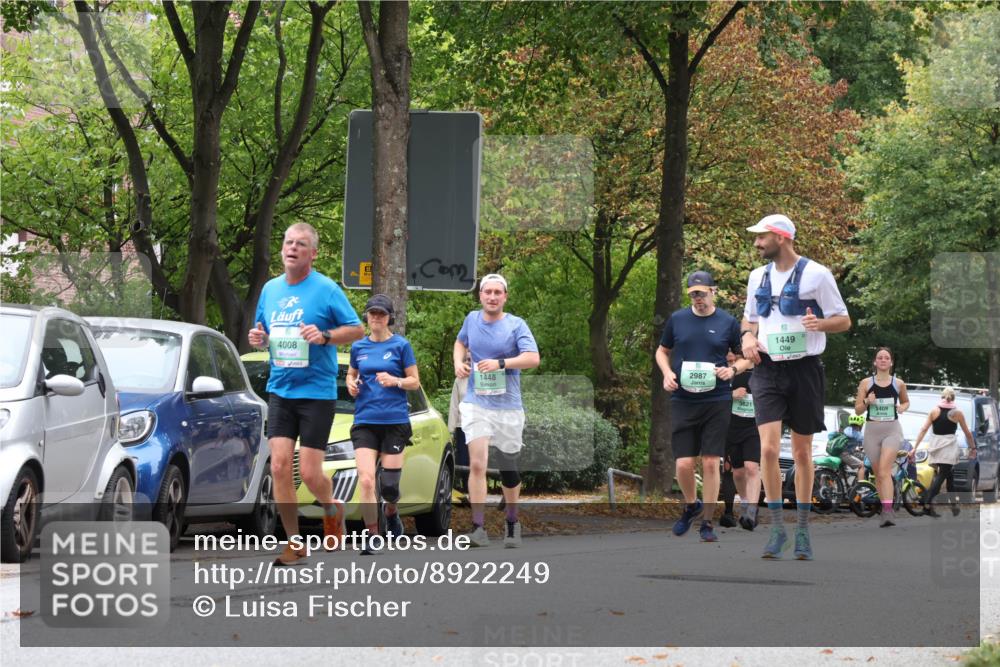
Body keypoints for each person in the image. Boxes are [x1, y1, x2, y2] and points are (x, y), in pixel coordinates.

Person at [249, 223, 364, 566]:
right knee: (282, 467)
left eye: (300, 244)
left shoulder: (326, 290)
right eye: (288, 242)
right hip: (281, 390)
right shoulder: (270, 290)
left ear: (312, 253)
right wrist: (259, 340)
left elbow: (357, 330)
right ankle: (295, 542)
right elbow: (262, 331)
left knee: (311, 474)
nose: (292, 248)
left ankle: (331, 508)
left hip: (316, 392)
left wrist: (326, 336)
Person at [741, 214, 851, 560]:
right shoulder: (756, 276)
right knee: (770, 450)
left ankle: (802, 529)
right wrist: (746, 336)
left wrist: (820, 323)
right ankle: (776, 529)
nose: (757, 244)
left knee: (802, 453)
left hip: (805, 369)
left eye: (761, 237)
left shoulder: (817, 274)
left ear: (781, 237)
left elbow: (844, 320)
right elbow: (750, 319)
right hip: (767, 370)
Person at [655, 271, 747, 543]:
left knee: (710, 462)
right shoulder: (678, 320)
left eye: (702, 293)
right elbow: (662, 351)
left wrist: (732, 370)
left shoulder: (727, 322)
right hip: (683, 399)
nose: (698, 298)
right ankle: (691, 504)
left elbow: (746, 359)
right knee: (683, 464)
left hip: (716, 399)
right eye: (693, 294)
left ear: (713, 291)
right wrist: (666, 373)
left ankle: (707, 521)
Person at [454, 273, 540, 548]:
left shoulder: (516, 325)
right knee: (477, 463)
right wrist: (459, 363)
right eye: (487, 292)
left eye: (497, 293)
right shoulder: (471, 319)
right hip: (476, 402)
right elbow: (460, 342)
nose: (492, 297)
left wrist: (501, 364)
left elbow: (532, 359)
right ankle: (478, 528)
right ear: (480, 295)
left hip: (508, 406)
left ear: (505, 296)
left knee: (507, 467)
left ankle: (512, 522)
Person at [345, 294, 420, 555]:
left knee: (389, 486)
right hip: (365, 420)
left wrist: (395, 380)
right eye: (372, 313)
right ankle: (372, 535)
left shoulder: (401, 345)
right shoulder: (358, 347)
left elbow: (415, 381)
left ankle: (391, 512)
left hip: (394, 421)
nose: (376, 318)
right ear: (367, 316)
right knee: (366, 481)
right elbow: (352, 373)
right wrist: (351, 385)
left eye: (381, 314)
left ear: (390, 318)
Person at [852, 347, 910, 527]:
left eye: (887, 358)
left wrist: (902, 407)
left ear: (891, 362)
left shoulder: (898, 383)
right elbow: (857, 410)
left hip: (891, 430)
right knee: (878, 474)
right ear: (875, 362)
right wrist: (867, 401)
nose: (883, 360)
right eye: (880, 357)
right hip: (872, 431)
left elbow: (906, 401)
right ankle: (885, 508)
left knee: (885, 471)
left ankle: (887, 510)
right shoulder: (865, 383)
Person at [909, 387, 976, 517]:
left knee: (949, 475)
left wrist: (915, 447)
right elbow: (967, 433)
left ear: (942, 397)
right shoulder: (957, 413)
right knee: (942, 475)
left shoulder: (934, 411)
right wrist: (973, 448)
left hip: (935, 446)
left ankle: (953, 505)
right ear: (953, 398)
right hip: (949, 447)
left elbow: (923, 429)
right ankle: (926, 501)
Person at [725, 351, 762, 531]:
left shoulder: (761, 374)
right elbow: (715, 397)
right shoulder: (728, 374)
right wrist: (731, 394)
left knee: (752, 467)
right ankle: (745, 502)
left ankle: (752, 511)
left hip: (754, 428)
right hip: (733, 428)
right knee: (738, 473)